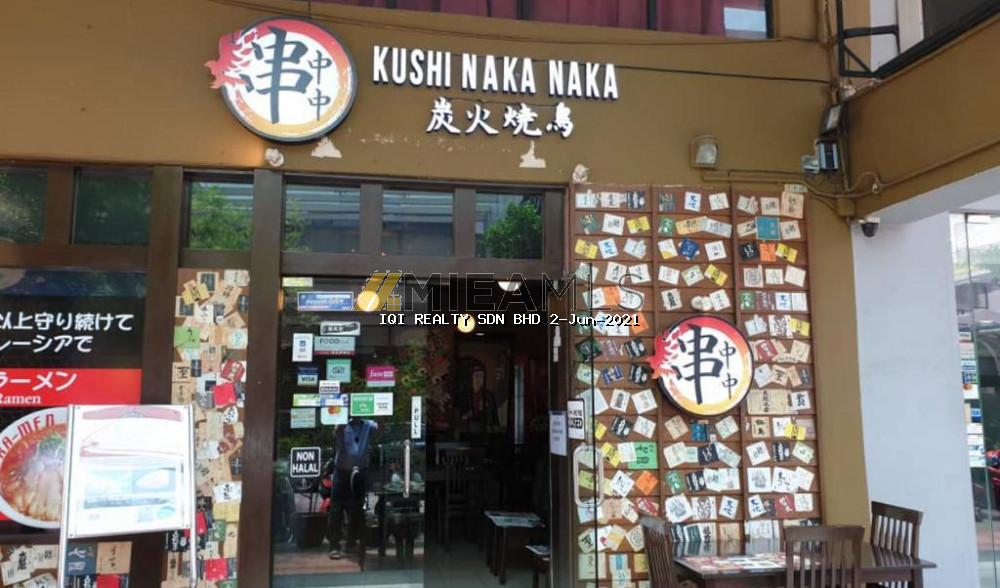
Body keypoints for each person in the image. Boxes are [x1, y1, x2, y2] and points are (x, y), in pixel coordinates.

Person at [328, 417, 378, 559]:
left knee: (357, 509)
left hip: (360, 471)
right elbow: (337, 429)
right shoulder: (343, 424)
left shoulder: (368, 424)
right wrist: (344, 414)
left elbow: (379, 429)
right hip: (342, 472)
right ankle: (334, 546)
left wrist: (381, 409)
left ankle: (351, 543)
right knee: (336, 509)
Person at [456, 359, 498, 427]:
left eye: (481, 376)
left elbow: (495, 418)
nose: (479, 379)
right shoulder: (462, 395)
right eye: (476, 376)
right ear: (471, 377)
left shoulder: (489, 396)